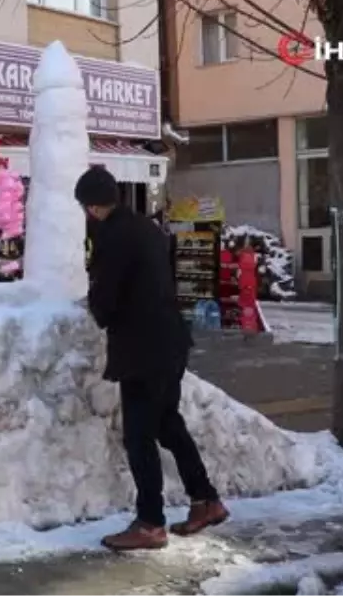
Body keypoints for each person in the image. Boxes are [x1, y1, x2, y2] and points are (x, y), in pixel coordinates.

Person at [75, 167, 229, 551]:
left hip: (142, 351)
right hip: (170, 342)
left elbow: (105, 302)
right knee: (168, 424)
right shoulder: (147, 228)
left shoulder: (113, 237)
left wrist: (94, 303)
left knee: (140, 437)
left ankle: (149, 523)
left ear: (92, 206)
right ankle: (205, 500)